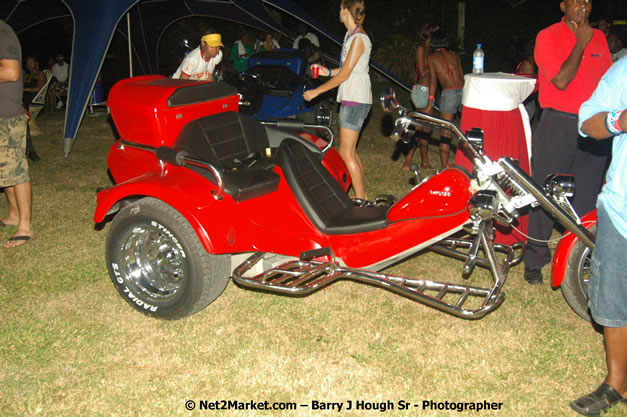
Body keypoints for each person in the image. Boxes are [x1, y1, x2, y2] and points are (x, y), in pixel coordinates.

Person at [522, 0, 612, 285]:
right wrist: (581, 42)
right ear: (563, 6)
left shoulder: (599, 38)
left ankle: (579, 257)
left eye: (587, 0)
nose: (582, 5)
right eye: (576, 0)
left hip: (593, 125)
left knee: (586, 196)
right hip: (558, 123)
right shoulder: (547, 36)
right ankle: (535, 258)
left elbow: (608, 81)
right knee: (545, 192)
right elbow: (561, 81)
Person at [570, 56, 626, 417]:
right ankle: (615, 383)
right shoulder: (624, 71)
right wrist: (619, 120)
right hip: (622, 210)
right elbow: (588, 122)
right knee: (612, 301)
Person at [304, 0, 371, 200]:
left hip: (356, 97)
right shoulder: (350, 36)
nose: (339, 11)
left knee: (345, 152)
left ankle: (360, 198)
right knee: (350, 151)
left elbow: (345, 75)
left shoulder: (359, 38)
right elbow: (344, 69)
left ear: (347, 11)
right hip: (351, 96)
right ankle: (363, 196)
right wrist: (327, 71)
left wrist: (317, 92)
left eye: (341, 8)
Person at [0, 20, 34, 247]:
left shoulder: (2, 33)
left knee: (17, 170)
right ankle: (13, 215)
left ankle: (26, 226)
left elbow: (11, 72)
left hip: (8, 116)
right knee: (5, 168)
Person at [425, 28, 464, 168]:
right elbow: (461, 77)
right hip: (463, 92)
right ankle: (465, 162)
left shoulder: (432, 58)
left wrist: (430, 102)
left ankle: (445, 166)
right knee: (464, 130)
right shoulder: (455, 56)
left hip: (449, 94)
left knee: (446, 131)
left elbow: (433, 81)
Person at [402, 23, 438, 170]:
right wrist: (434, 65)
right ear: (428, 34)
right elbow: (423, 72)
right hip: (422, 90)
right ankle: (408, 162)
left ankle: (423, 162)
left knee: (425, 128)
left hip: (426, 91)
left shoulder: (430, 49)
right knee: (420, 128)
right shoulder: (421, 48)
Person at [22, 55, 44, 161]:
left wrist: (26, 89)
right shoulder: (26, 75)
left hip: (34, 99)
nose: (29, 65)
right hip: (24, 99)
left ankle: (30, 150)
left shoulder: (40, 74)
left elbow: (40, 88)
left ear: (36, 63)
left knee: (22, 108)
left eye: (31, 62)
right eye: (28, 63)